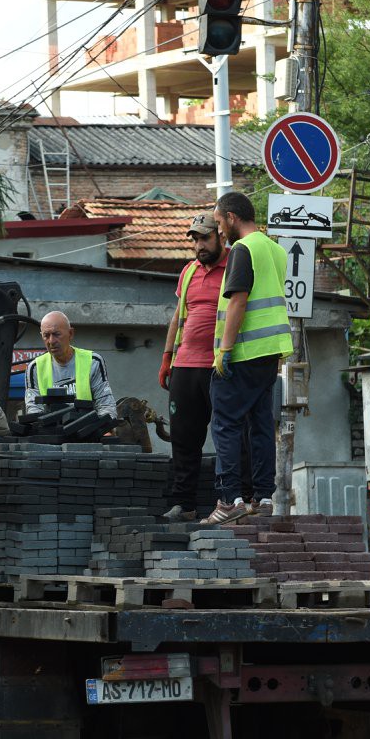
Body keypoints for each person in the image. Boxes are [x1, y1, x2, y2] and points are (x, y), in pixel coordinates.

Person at [203, 192, 293, 526]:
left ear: (231, 216)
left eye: (218, 222)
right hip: (270, 353)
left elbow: (239, 301)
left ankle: (229, 500)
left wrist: (224, 350)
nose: (219, 231)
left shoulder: (244, 249)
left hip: (243, 352)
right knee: (260, 424)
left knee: (224, 423)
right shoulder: (275, 249)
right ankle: (263, 498)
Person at [158, 213, 228, 521]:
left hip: (219, 365)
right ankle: (183, 504)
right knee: (184, 439)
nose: (199, 245)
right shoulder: (188, 272)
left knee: (228, 437)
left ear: (220, 236)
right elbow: (177, 317)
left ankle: (230, 500)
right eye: (195, 239)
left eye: (205, 238)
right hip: (184, 366)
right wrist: (166, 357)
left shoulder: (234, 268)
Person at [24, 311, 116, 419]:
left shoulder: (92, 361)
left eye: (56, 334)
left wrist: (103, 427)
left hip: (88, 431)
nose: (51, 341)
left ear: (71, 333)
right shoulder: (35, 368)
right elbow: (33, 410)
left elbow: (106, 405)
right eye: (46, 335)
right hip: (51, 433)